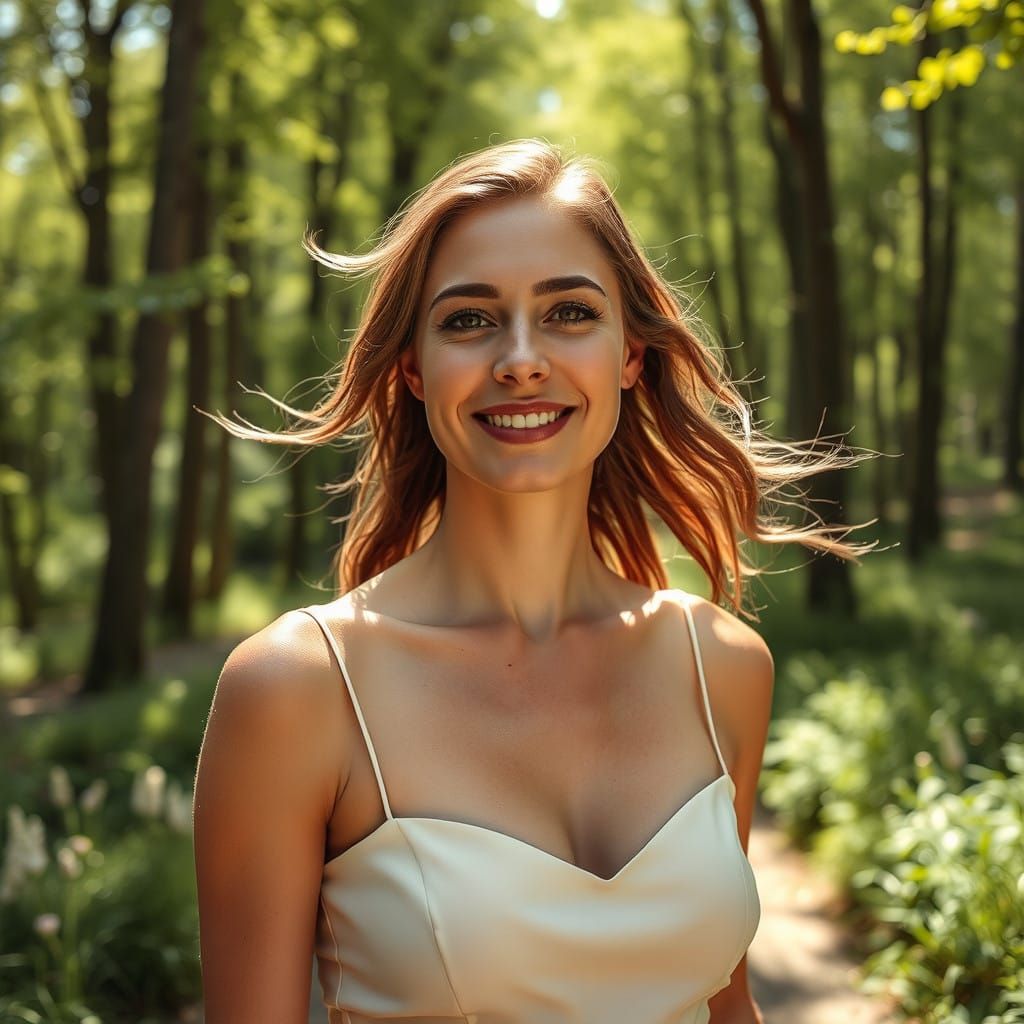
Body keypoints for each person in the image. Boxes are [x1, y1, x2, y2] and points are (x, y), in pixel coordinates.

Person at [192, 138, 875, 1024]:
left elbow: (723, 1002)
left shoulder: (722, 668)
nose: (521, 358)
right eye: (470, 320)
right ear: (412, 369)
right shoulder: (299, 688)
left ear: (631, 355)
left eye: (569, 314)